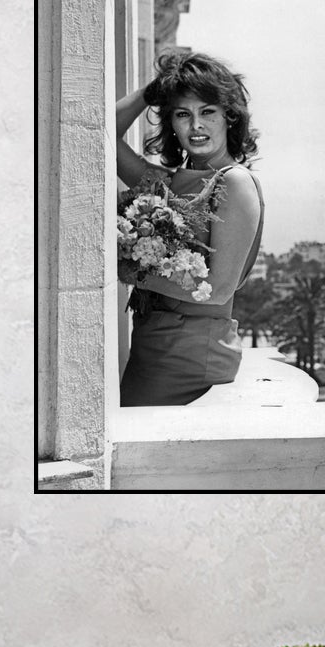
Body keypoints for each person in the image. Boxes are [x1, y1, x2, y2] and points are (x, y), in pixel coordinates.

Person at [115, 51, 265, 406]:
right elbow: (102, 135)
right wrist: (153, 91)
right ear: (171, 124)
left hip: (191, 359)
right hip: (152, 346)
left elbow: (215, 289)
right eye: (183, 115)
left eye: (207, 112)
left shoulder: (235, 183)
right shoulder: (167, 181)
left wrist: (126, 269)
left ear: (230, 117)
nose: (195, 126)